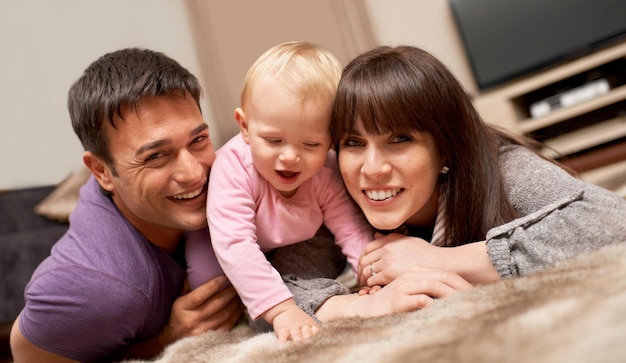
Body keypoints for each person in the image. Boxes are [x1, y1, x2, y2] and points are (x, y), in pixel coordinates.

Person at [311, 45, 626, 321]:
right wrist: (362, 306)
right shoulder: (334, 187)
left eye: (401, 139)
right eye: (353, 142)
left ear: (445, 146)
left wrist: (440, 260)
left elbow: (613, 220)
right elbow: (277, 278)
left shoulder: (504, 167)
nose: (373, 167)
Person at [10, 48, 244, 362]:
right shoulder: (97, 285)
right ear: (101, 171)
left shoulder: (236, 178)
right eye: (155, 156)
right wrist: (164, 340)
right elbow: (26, 354)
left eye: (198, 140)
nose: (194, 173)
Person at [185, 41, 373, 342]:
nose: (289, 157)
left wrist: (373, 276)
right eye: (273, 141)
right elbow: (235, 243)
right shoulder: (233, 167)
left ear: (331, 139)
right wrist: (281, 308)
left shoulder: (327, 169)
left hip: (292, 241)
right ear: (245, 127)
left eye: (310, 144)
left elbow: (350, 228)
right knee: (211, 287)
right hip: (224, 242)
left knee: (325, 256)